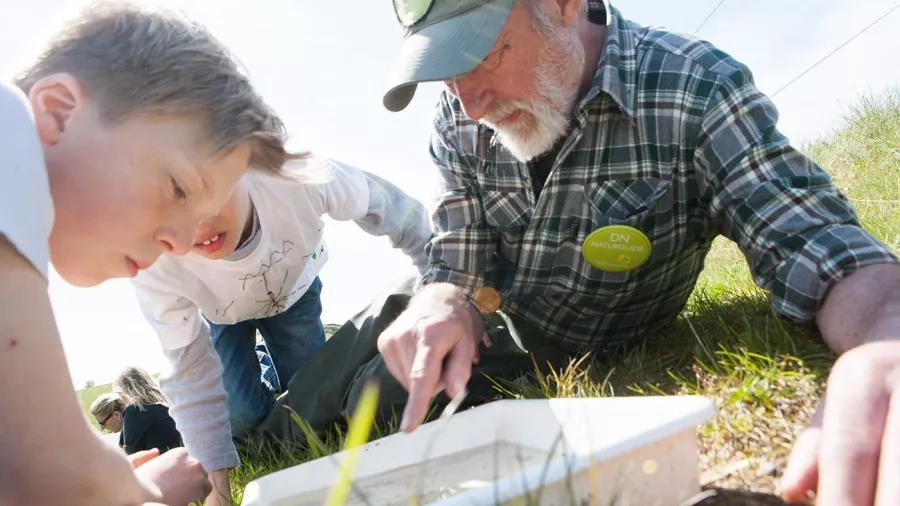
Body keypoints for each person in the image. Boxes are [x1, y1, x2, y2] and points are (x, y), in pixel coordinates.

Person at [247, 1, 900, 505]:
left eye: (482, 54)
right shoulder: (458, 124)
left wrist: (884, 345)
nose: (469, 105)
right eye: (446, 75)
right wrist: (444, 297)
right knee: (357, 363)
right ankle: (243, 441)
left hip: (565, 344)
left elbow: (817, 242)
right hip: (482, 328)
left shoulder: (695, 91)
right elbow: (459, 256)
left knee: (377, 392)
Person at [0, 0, 299, 504]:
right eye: (179, 189)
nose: (182, 244)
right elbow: (58, 480)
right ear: (58, 111)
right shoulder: (8, 129)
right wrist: (141, 492)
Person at [130, 156, 433, 504]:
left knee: (312, 397)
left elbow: (398, 212)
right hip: (224, 315)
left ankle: (282, 380)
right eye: (175, 213)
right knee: (240, 418)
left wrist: (442, 285)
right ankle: (259, 393)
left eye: (209, 197)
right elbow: (189, 372)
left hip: (293, 297)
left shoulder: (299, 178)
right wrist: (218, 489)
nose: (200, 227)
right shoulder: (155, 261)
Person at [113, 367, 184, 456]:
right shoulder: (169, 403)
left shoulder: (135, 410)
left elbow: (131, 452)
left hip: (158, 464)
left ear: (124, 392)